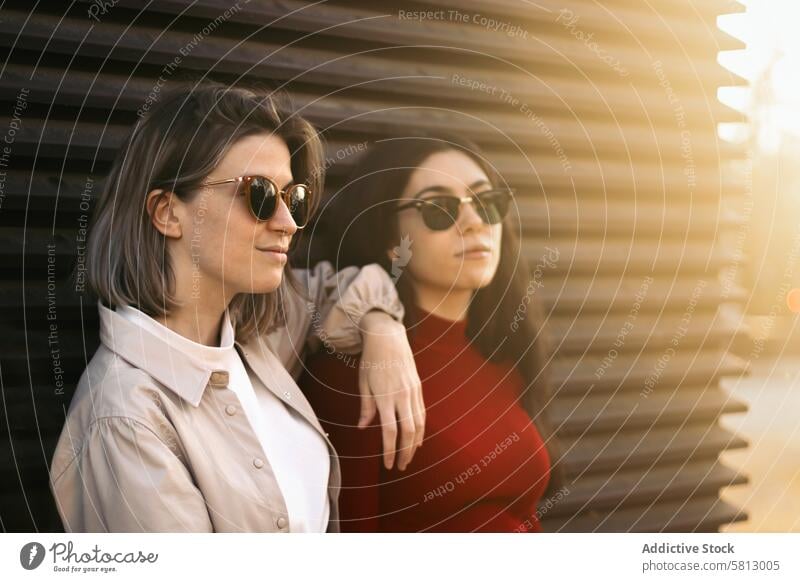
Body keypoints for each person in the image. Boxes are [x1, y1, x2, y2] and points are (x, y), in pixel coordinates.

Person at [48, 83, 425, 532]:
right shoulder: (127, 419)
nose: (287, 223)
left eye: (294, 198)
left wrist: (383, 328)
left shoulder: (256, 331)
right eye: (259, 195)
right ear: (167, 213)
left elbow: (336, 288)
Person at [299, 133, 565, 532]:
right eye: (440, 208)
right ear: (392, 241)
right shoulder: (356, 376)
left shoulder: (502, 357)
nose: (474, 222)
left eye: (486, 203)